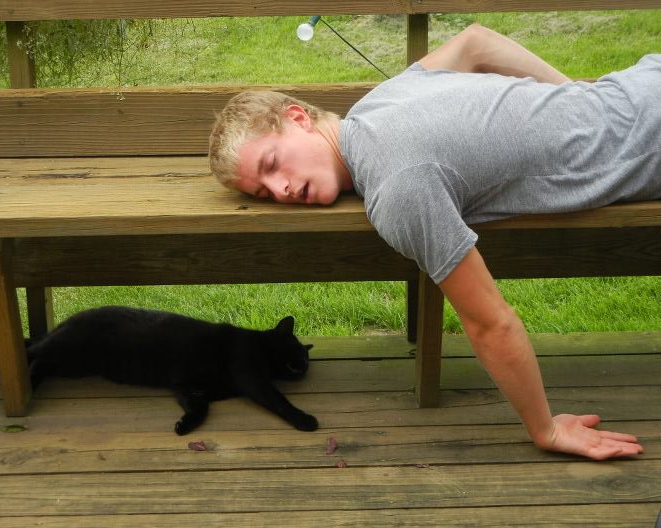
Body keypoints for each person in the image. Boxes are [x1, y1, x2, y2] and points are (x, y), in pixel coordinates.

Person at [209, 23, 659, 460]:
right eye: (264, 192)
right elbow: (475, 41)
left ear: (298, 118)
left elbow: (490, 323)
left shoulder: (397, 187)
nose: (281, 189)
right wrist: (580, 96)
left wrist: (547, 429)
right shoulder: (382, 99)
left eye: (272, 163)